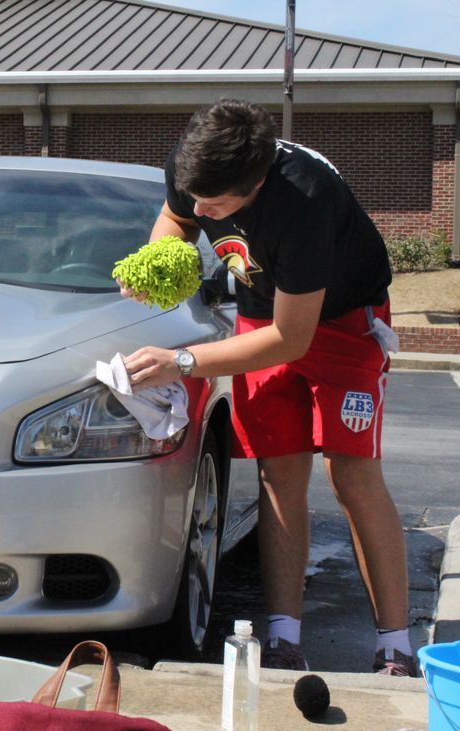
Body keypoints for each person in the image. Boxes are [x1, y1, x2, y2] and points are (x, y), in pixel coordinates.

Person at [118, 99, 415, 676]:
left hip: (339, 323)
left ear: (255, 183)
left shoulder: (303, 201)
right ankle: (283, 635)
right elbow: (175, 219)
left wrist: (183, 360)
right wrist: (163, 260)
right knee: (279, 473)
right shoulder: (199, 162)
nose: (202, 211)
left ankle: (395, 643)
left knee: (352, 475)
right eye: (196, 195)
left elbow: (291, 338)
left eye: (217, 205)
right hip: (261, 317)